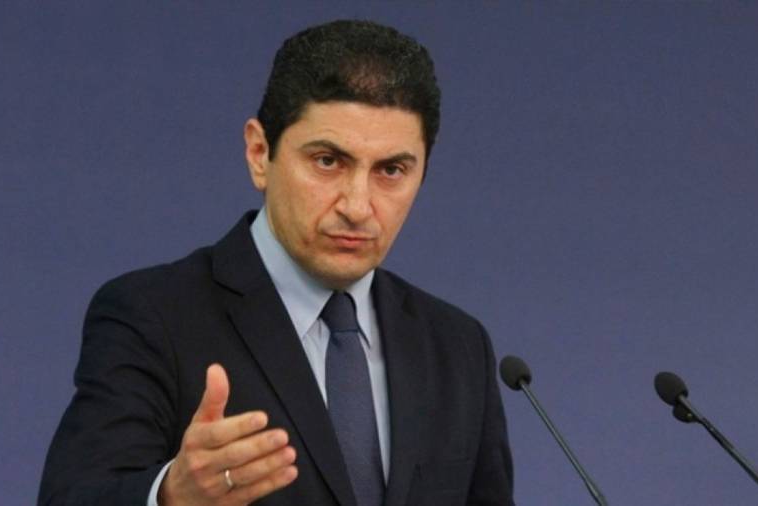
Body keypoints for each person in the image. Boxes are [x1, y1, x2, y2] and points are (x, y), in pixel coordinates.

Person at [39, 19, 514, 506]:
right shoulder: (152, 316)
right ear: (259, 152)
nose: (357, 205)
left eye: (391, 170)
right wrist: (171, 496)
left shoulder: (458, 346)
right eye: (328, 161)